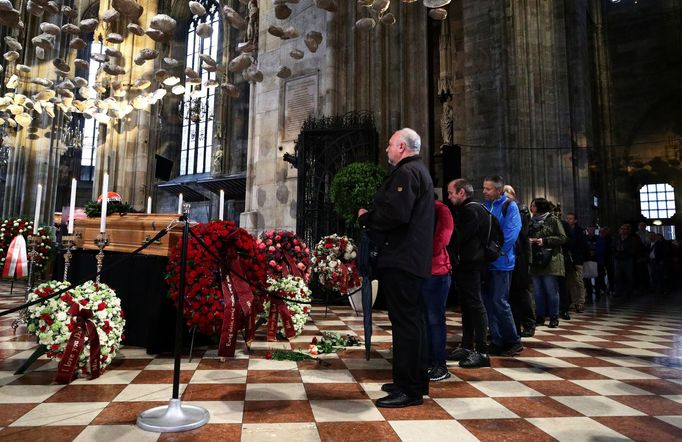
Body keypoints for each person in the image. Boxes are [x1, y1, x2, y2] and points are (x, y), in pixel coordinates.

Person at [358, 128, 434, 408]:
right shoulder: (418, 171)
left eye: (390, 145)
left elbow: (397, 214)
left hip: (403, 259)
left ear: (401, 146)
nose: (387, 150)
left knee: (406, 325)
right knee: (412, 323)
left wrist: (367, 218)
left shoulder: (406, 172)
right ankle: (412, 380)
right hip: (410, 259)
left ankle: (409, 389)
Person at [445, 178, 491, 368]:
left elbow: (458, 238)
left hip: (471, 264)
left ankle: (481, 351)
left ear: (461, 192)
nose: (449, 197)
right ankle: (466, 345)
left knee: (475, 304)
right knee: (467, 305)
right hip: (470, 263)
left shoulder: (470, 211)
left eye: (451, 193)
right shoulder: (477, 208)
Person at [482, 176, 523, 356]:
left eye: (488, 189)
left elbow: (511, 234)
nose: (484, 191)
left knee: (500, 302)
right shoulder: (486, 206)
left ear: (499, 191)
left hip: (502, 263)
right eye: (484, 188)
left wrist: (494, 252)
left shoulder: (509, 206)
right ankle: (497, 340)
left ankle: (513, 340)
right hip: (487, 263)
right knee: (490, 303)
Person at [422, 196, 454, 381]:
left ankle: (439, 365)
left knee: (434, 320)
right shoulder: (414, 208)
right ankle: (426, 360)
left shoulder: (441, 210)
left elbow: (442, 239)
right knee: (423, 319)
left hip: (437, 271)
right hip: (419, 271)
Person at [503, 185, 536, 337]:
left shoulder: (520, 209)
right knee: (511, 294)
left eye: (506, 194)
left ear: (513, 196)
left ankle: (529, 323)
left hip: (520, 255)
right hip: (510, 256)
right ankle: (513, 326)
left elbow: (519, 233)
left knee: (523, 292)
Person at [529, 198, 567, 328]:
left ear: (540, 207)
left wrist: (544, 241)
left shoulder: (553, 219)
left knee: (551, 290)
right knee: (538, 291)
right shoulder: (531, 221)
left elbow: (562, 238)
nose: (531, 208)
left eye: (533, 206)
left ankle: (554, 316)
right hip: (535, 259)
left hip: (550, 260)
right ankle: (540, 316)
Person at [564, 212, 588, 313]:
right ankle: (574, 301)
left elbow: (582, 246)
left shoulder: (580, 232)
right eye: (567, 218)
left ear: (575, 220)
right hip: (568, 260)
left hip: (577, 259)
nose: (568, 220)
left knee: (578, 281)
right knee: (570, 281)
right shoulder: (565, 230)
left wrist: (578, 256)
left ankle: (581, 302)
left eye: (570, 219)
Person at [613, 223, 641, 300]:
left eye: (625, 229)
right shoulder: (617, 238)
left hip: (628, 259)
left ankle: (629, 292)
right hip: (618, 259)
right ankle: (618, 291)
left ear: (628, 230)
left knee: (629, 276)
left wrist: (624, 251)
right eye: (622, 229)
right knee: (617, 276)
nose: (623, 230)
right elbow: (612, 247)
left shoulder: (633, 239)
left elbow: (634, 249)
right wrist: (616, 252)